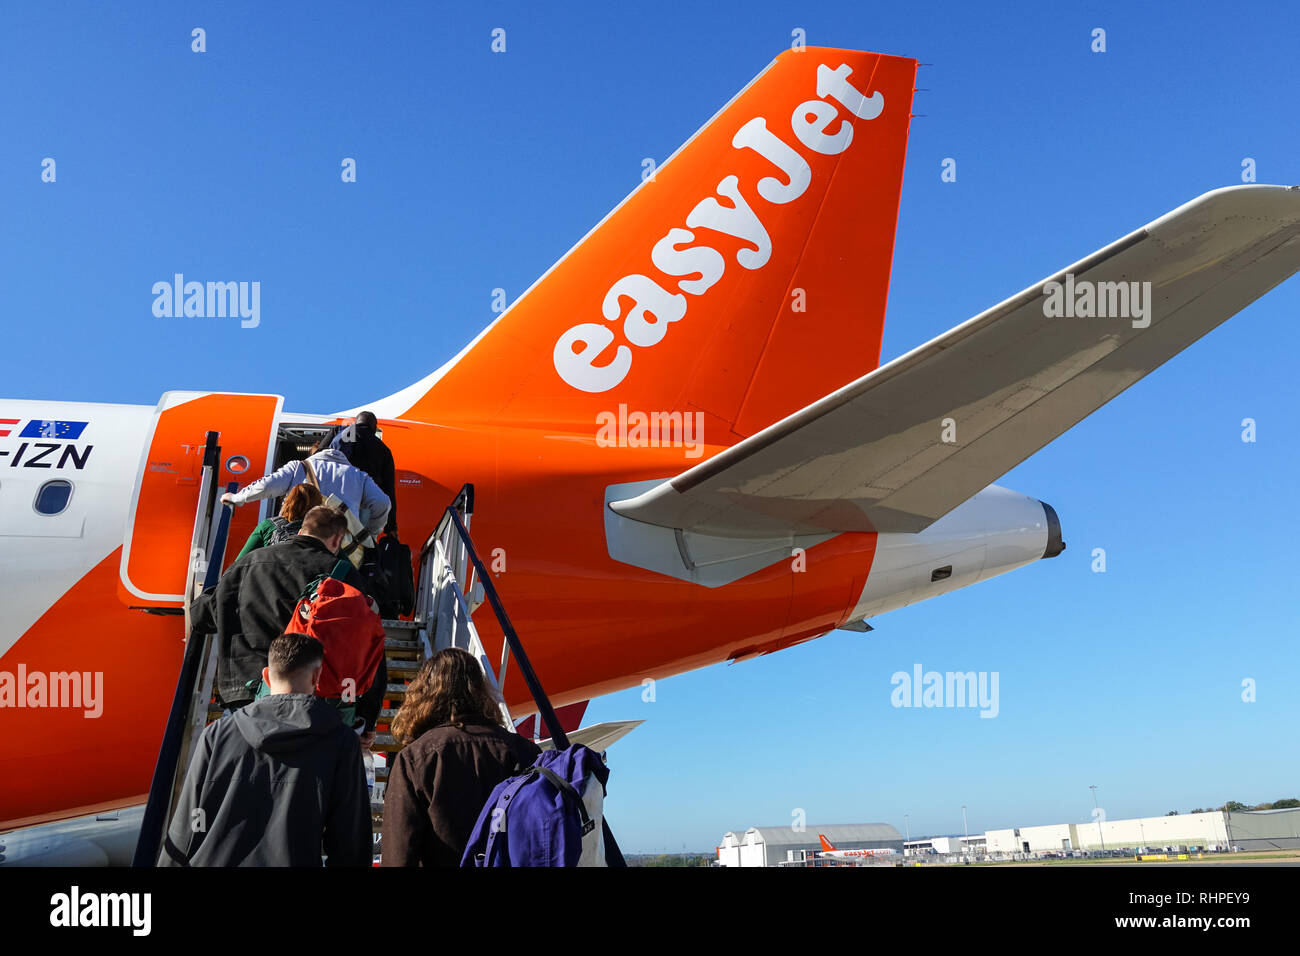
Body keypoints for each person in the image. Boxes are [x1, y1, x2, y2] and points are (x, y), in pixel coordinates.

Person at [159, 633, 371, 867]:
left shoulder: (217, 734)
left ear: (267, 677)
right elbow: (349, 839)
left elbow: (187, 822)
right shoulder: (341, 741)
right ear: (317, 676)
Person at [189, 506, 386, 735]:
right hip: (310, 702)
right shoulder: (341, 574)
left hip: (244, 697)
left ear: (302, 530)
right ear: (337, 539)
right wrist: (367, 718)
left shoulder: (248, 563)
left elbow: (200, 617)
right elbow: (367, 645)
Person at [380, 648, 540, 867]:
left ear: (425, 693)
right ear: (481, 691)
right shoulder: (525, 751)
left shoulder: (415, 758)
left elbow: (399, 853)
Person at [222, 438, 390, 538]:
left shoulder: (299, 467)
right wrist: (369, 534)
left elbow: (266, 486)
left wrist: (237, 498)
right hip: (340, 547)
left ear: (314, 453)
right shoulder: (359, 476)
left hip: (298, 540)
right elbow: (383, 503)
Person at [330, 411, 399, 535]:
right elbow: (389, 490)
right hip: (366, 504)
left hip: (338, 501)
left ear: (356, 423)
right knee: (362, 544)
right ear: (374, 428)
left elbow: (328, 467)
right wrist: (391, 527)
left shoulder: (340, 438)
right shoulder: (383, 449)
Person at [234, 483, 324, 559]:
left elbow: (240, 562)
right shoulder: (325, 533)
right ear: (317, 506)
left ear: (287, 502)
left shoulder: (268, 525)